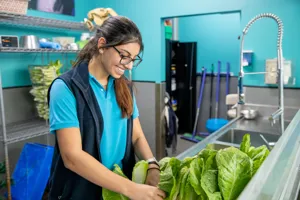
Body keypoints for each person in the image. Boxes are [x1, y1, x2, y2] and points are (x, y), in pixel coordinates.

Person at [47, 16, 166, 200]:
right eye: (124, 55)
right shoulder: (65, 88)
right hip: (82, 191)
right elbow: (72, 156)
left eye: (133, 59)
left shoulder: (124, 86)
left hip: (118, 189)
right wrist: (132, 189)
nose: (129, 65)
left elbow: (137, 135)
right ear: (102, 45)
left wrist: (152, 164)